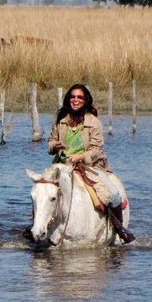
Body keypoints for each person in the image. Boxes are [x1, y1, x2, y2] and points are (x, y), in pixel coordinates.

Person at [46, 83, 135, 243]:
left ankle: (119, 229)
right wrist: (55, 145)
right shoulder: (60, 120)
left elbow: (96, 150)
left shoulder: (93, 121)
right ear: (68, 99)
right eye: (73, 97)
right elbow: (50, 143)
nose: (75, 100)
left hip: (90, 166)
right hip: (62, 166)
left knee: (113, 195)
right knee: (42, 192)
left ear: (85, 100)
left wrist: (79, 157)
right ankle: (37, 228)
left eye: (79, 97)